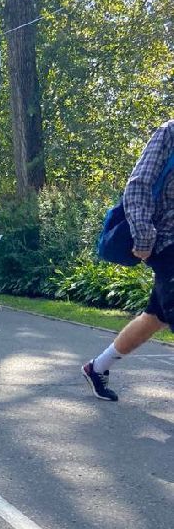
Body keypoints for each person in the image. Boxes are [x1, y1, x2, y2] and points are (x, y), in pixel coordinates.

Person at [82, 120, 174, 401]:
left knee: (154, 318)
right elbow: (138, 186)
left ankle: (97, 368)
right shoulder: (170, 132)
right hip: (165, 240)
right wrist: (144, 236)